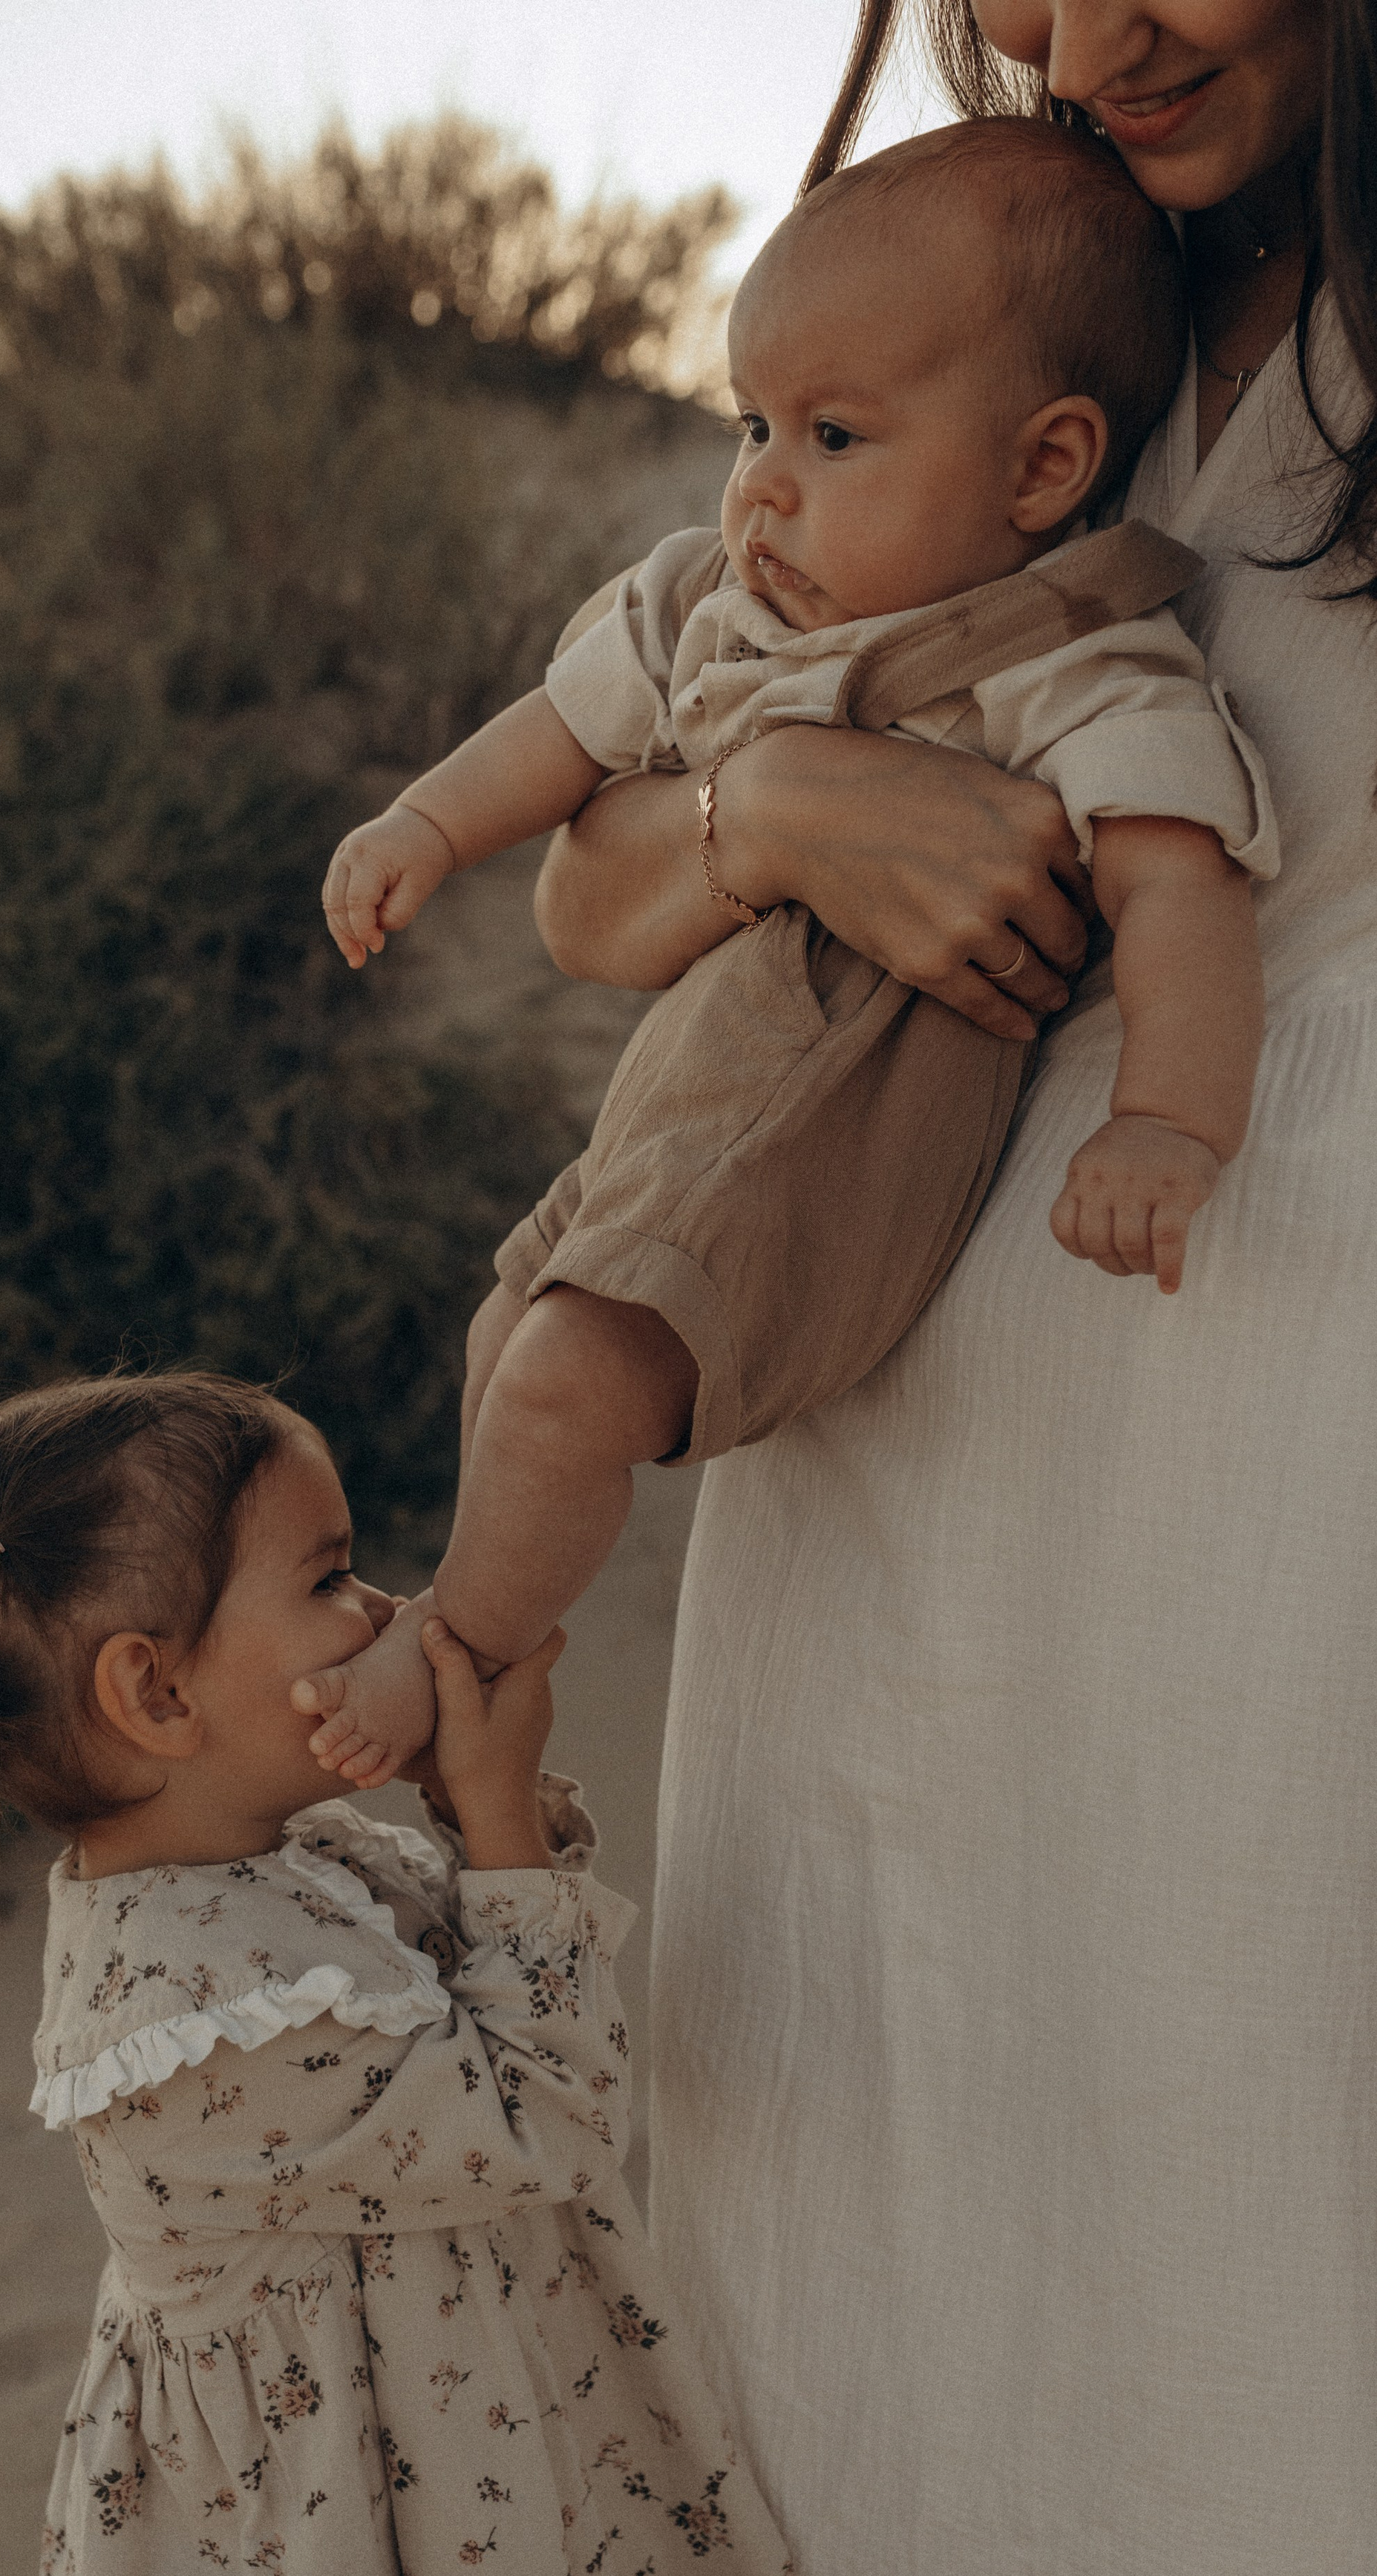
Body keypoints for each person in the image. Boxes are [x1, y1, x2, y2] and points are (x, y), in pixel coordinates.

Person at [532, 4, 1377, 2576]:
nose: (1088, 25)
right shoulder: (991, 295)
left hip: (1278, 1472)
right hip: (892, 1496)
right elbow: (593, 880)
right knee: (893, 2302)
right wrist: (784, 799)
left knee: (1261, 2306)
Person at [304, 118, 1271, 1789]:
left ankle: (454, 1658)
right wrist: (420, 829)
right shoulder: (715, 604)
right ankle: (486, 1636)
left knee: (553, 1389)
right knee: (501, 1337)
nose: (761, 483)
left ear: (1040, 471)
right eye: (750, 422)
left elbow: (1177, 886)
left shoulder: (1063, 656)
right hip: (671, 1127)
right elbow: (558, 732)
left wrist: (1165, 1123)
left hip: (814, 1146)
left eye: (833, 435)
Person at [0, 1371, 855, 2576]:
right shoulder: (187, 2030)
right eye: (329, 1579)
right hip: (320, 2562)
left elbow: (470, 1977)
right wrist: (501, 1813)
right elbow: (543, 2113)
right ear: (154, 1692)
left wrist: (466, 1806)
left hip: (440, 2457)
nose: (385, 1607)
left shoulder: (291, 1858)